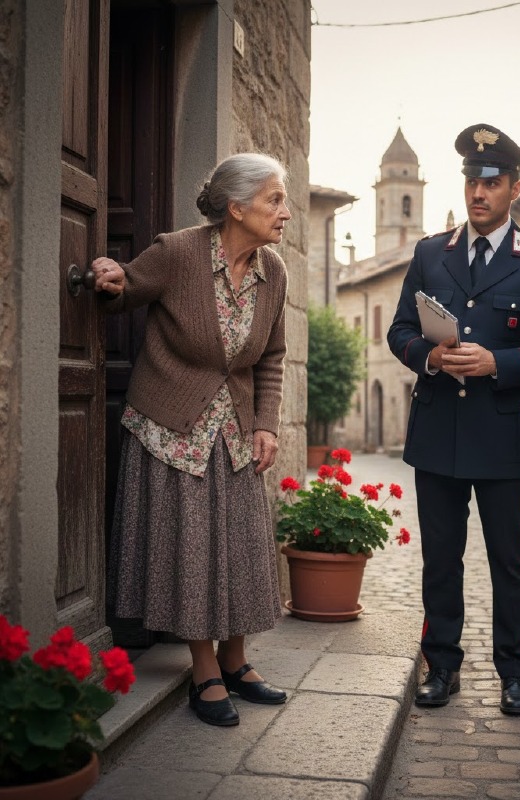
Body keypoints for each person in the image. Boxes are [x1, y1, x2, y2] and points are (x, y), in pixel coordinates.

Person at [92, 152, 292, 728]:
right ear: (236, 207)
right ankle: (203, 671)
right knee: (193, 555)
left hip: (233, 430)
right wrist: (110, 276)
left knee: (238, 549)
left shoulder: (271, 271)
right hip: (169, 428)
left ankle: (236, 661)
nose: (284, 212)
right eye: (274, 200)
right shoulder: (178, 252)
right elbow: (127, 286)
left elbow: (272, 357)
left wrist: (265, 423)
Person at [387, 124, 520, 715]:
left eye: (491, 181)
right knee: (440, 557)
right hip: (438, 431)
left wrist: (499, 362)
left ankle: (516, 673)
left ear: (514, 187)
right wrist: (427, 354)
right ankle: (442, 666)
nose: (478, 191)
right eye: (470, 180)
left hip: (503, 433)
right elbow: (399, 329)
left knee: (511, 560)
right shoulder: (432, 252)